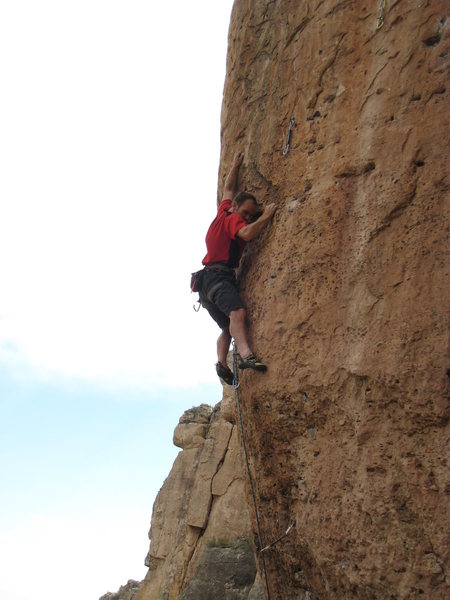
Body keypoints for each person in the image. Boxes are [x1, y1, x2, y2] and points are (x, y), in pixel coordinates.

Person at [198, 153, 276, 385]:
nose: (248, 218)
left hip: (205, 286)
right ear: (235, 208)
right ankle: (246, 356)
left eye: (251, 215)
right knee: (238, 314)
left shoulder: (223, 211)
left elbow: (228, 188)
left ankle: (222, 363)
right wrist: (267, 216)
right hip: (219, 278)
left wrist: (235, 165)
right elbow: (247, 233)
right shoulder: (234, 220)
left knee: (227, 326)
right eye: (245, 213)